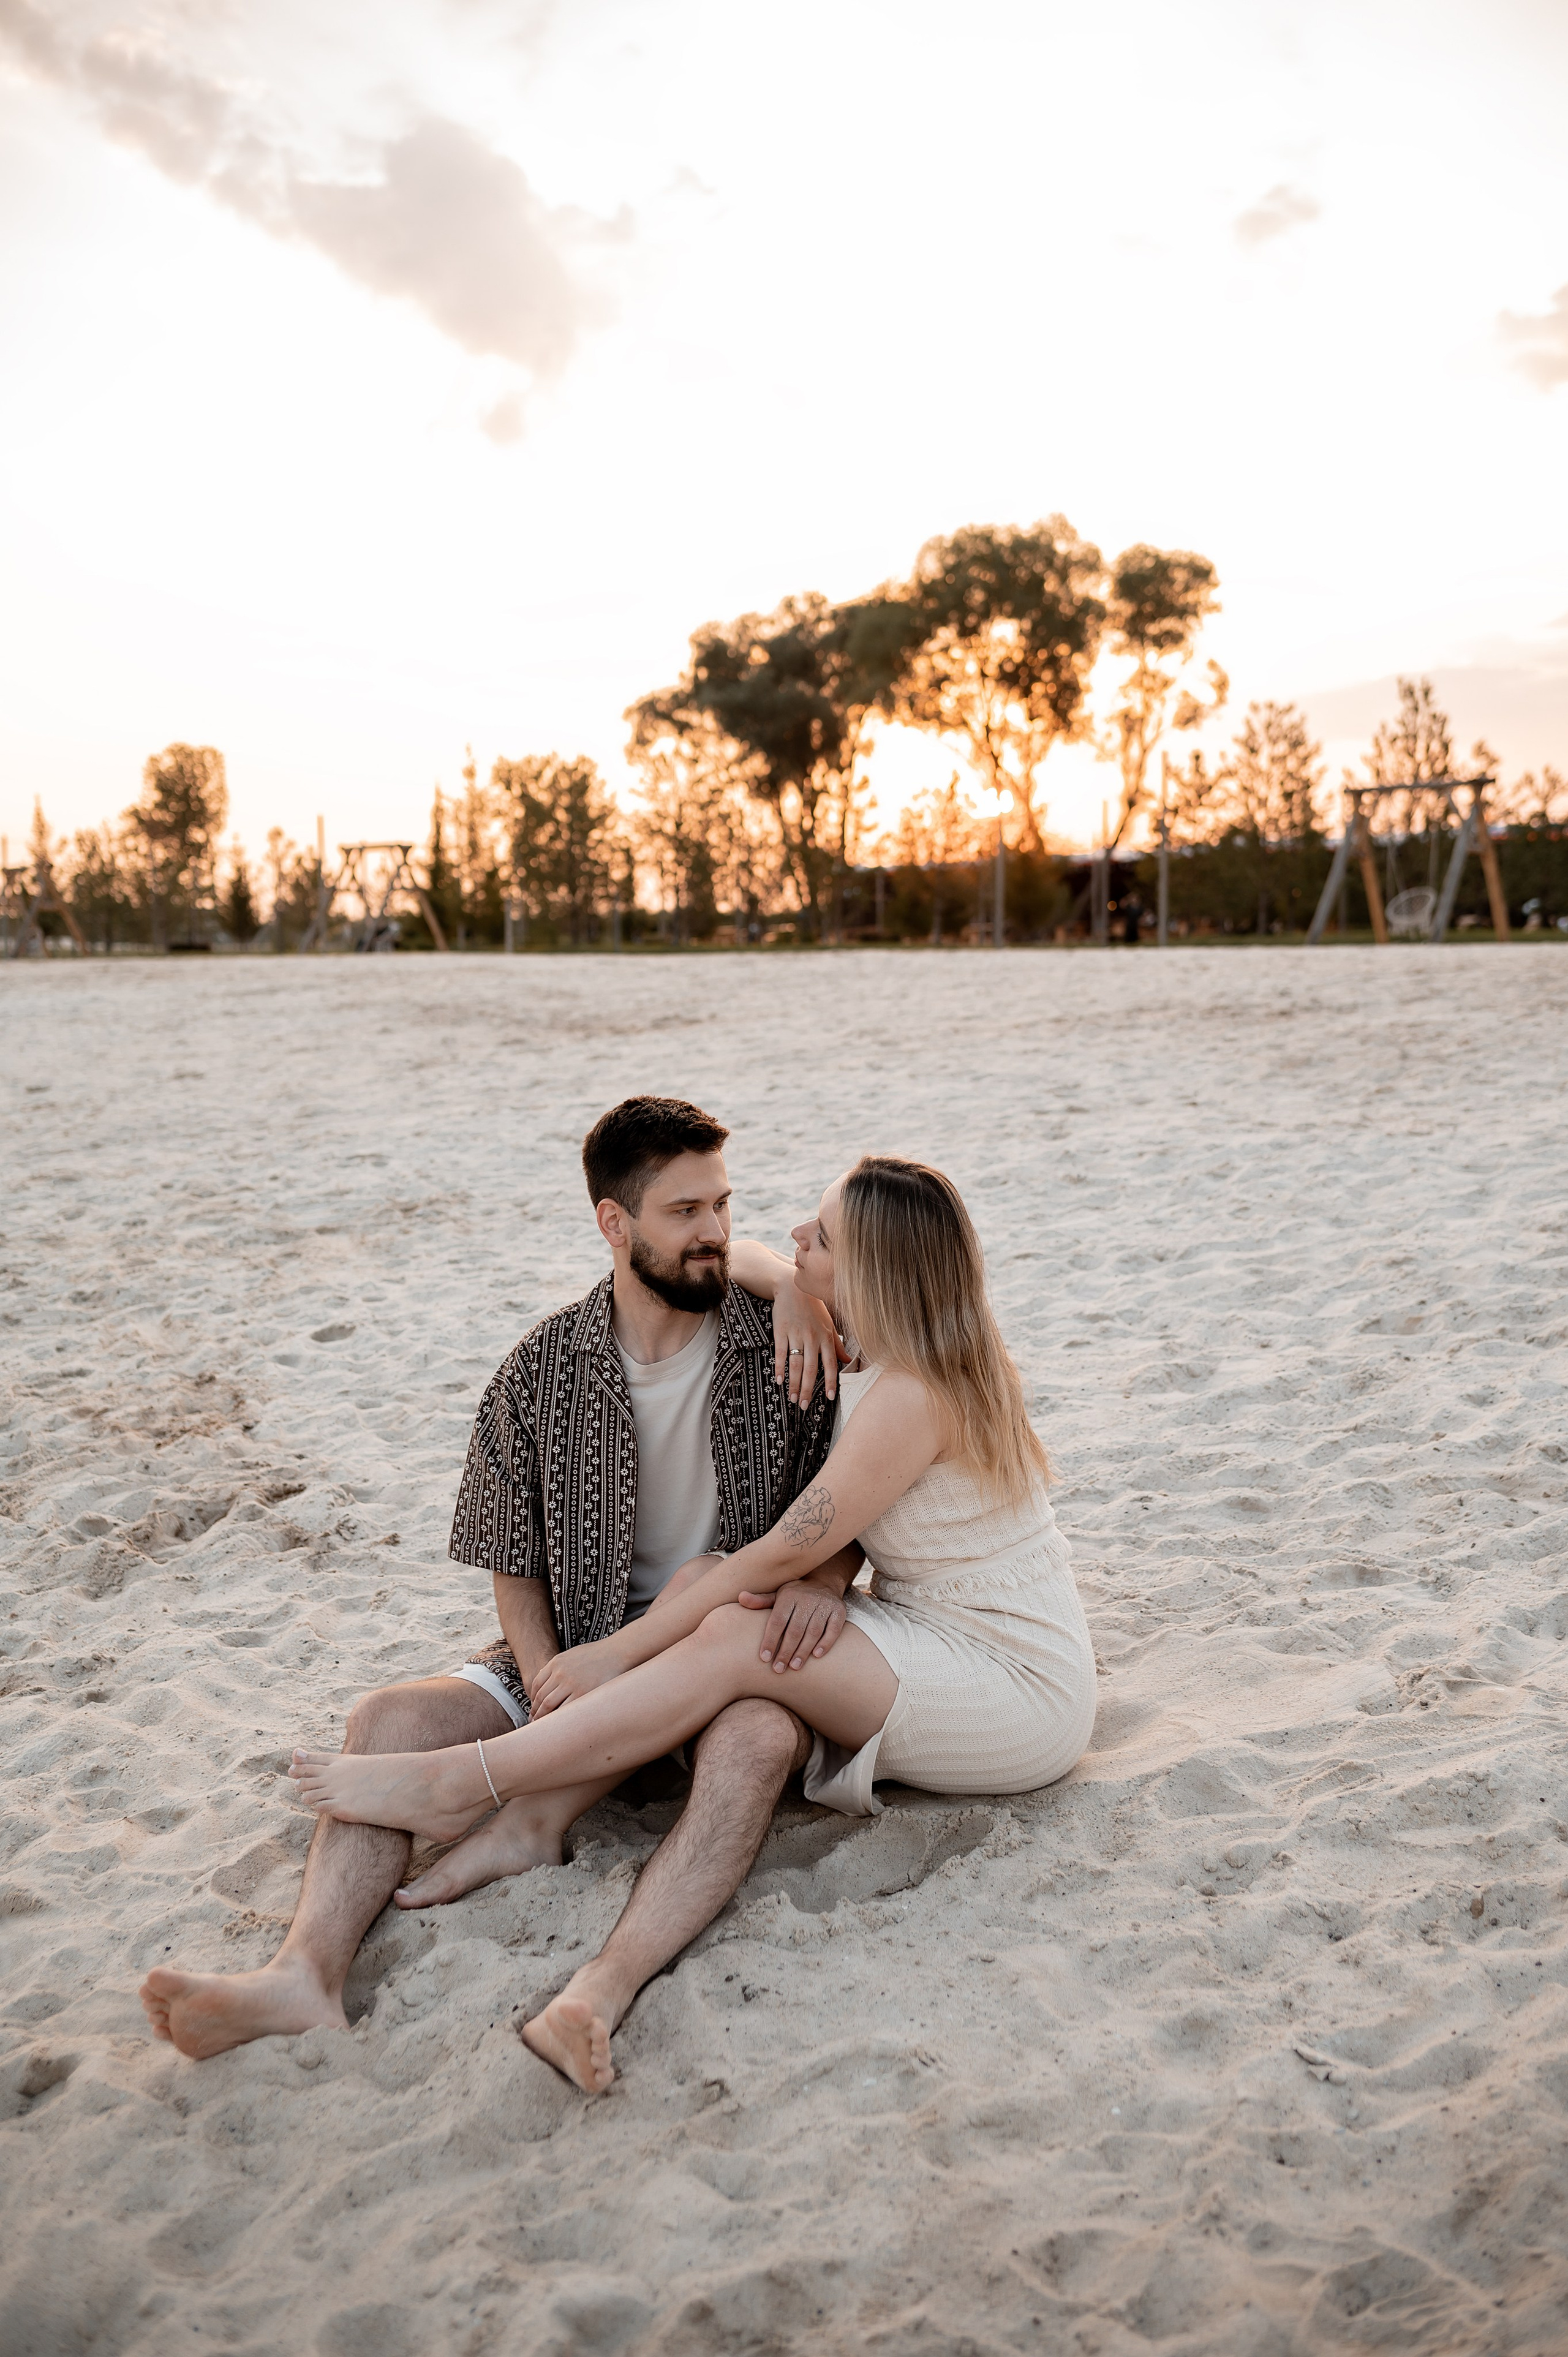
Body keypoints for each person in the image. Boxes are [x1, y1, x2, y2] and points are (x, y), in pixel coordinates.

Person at [290, 1153, 1098, 2094]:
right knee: (712, 1579)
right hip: (939, 1630)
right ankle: (535, 1818)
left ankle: (464, 1784)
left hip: (1015, 1686)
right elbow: (752, 1258)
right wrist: (793, 1291)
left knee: (735, 1618)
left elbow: (776, 1556)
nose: (799, 1236)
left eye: (823, 1236)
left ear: (872, 1269)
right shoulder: (887, 1343)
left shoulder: (914, 1392)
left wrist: (616, 1653)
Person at [140, 1096, 854, 2065]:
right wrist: (548, 1679)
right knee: (387, 1723)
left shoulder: (783, 1348)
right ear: (615, 1223)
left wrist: (828, 1572)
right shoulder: (538, 1374)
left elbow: (853, 1505)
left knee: (762, 1740)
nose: (716, 1235)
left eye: (724, 1206)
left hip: (725, 1660)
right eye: (685, 1213)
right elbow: (510, 1562)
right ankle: (303, 1976)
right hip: (576, 1651)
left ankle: (603, 1988)